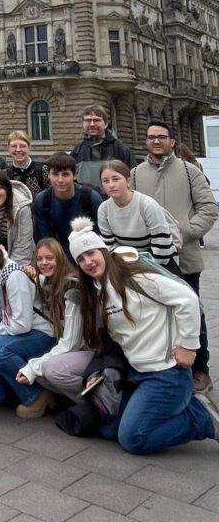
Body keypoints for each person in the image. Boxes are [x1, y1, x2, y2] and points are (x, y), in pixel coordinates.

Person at [70, 217, 219, 454]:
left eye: (91, 253)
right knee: (108, 429)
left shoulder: (134, 276)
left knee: (133, 438)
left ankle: (200, 417)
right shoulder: (96, 291)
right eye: (81, 258)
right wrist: (97, 372)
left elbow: (187, 299)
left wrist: (189, 346)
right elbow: (112, 342)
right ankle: (174, 409)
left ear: (103, 251)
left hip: (167, 373)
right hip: (137, 373)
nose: (88, 262)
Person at [131, 119, 218, 394]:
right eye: (151, 137)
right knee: (155, 315)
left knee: (193, 312)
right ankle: (165, 367)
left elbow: (209, 208)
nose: (156, 141)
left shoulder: (190, 171)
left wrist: (184, 232)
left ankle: (200, 369)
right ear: (146, 141)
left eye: (161, 137)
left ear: (172, 142)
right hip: (149, 260)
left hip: (185, 257)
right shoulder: (136, 174)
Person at [0, 216, 56, 416]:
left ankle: (37, 395)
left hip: (39, 333)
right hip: (14, 334)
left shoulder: (12, 274)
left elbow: (21, 325)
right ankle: (24, 375)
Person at [15, 238, 90, 411]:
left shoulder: (72, 287)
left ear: (60, 258)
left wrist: (33, 367)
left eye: (49, 258)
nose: (44, 263)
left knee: (48, 370)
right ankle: (74, 400)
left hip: (90, 349)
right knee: (39, 371)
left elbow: (71, 343)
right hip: (74, 349)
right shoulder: (49, 282)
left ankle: (96, 401)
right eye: (39, 259)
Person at [98, 159, 179, 267]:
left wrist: (144, 268)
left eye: (116, 179)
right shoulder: (103, 209)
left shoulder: (147, 205)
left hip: (158, 263)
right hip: (124, 264)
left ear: (128, 181)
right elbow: (109, 246)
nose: (111, 185)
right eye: (106, 181)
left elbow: (162, 246)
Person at [32, 153, 103, 255]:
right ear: (48, 175)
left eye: (65, 174)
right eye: (55, 174)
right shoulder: (42, 200)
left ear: (74, 175)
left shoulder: (91, 197)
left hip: (87, 252)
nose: (60, 180)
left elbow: (101, 236)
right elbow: (44, 240)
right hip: (57, 255)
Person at [70, 104, 135, 190]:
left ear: (106, 124)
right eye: (88, 120)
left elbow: (132, 181)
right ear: (83, 124)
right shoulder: (77, 151)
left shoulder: (121, 150)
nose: (92, 124)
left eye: (96, 120)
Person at [6, 130, 46, 197]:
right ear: (8, 148)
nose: (18, 150)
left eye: (22, 146)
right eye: (14, 146)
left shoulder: (43, 170)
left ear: (29, 147)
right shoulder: (5, 175)